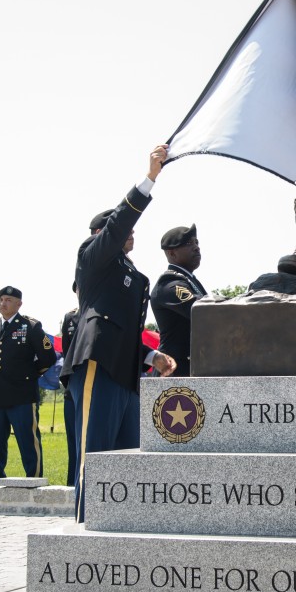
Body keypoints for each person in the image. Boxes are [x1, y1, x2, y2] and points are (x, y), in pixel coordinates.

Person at [61, 145, 177, 521]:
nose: (131, 234)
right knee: (94, 455)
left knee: (127, 455)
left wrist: (150, 356)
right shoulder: (93, 256)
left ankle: (120, 527)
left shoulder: (128, 274)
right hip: (98, 365)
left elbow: (125, 329)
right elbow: (117, 227)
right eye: (122, 229)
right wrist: (151, 177)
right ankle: (86, 525)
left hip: (126, 372)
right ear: (101, 232)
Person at [0, 286, 57, 483]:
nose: (3, 303)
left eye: (8, 300)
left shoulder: (30, 326)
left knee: (28, 442)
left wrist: (29, 374)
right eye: (1, 299)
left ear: (19, 304)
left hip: (22, 395)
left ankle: (34, 480)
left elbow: (48, 357)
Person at [151, 224, 206, 377]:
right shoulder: (170, 285)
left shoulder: (188, 280)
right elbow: (204, 311)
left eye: (197, 242)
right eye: (189, 244)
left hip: (190, 367)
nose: (196, 247)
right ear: (172, 253)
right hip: (174, 369)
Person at [59, 283, 79, 487]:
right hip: (73, 387)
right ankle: (72, 484)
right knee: (73, 441)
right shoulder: (70, 317)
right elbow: (67, 353)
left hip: (97, 386)